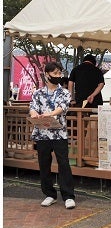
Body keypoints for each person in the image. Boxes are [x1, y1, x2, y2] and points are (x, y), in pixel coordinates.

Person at [31, 61, 75, 209]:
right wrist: (35, 114)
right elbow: (33, 108)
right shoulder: (37, 93)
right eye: (55, 73)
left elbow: (62, 108)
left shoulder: (65, 92)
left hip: (59, 134)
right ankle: (49, 194)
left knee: (64, 164)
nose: (58, 75)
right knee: (44, 164)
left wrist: (49, 114)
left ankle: (68, 196)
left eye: (59, 73)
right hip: (42, 133)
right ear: (46, 74)